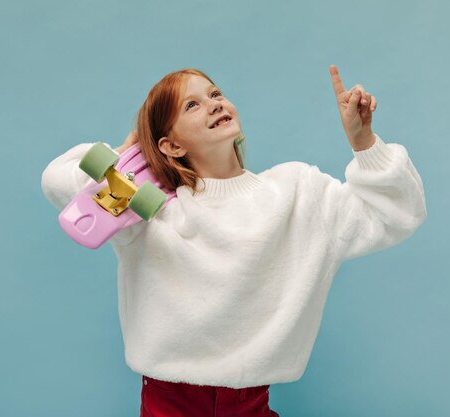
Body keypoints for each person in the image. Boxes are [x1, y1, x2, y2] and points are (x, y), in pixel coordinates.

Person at [41, 66, 427, 417]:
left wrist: (365, 144)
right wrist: (126, 158)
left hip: (252, 405)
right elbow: (57, 180)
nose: (214, 104)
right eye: (192, 104)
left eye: (215, 94)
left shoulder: (297, 192)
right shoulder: (150, 210)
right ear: (171, 145)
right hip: (168, 404)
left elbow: (394, 214)